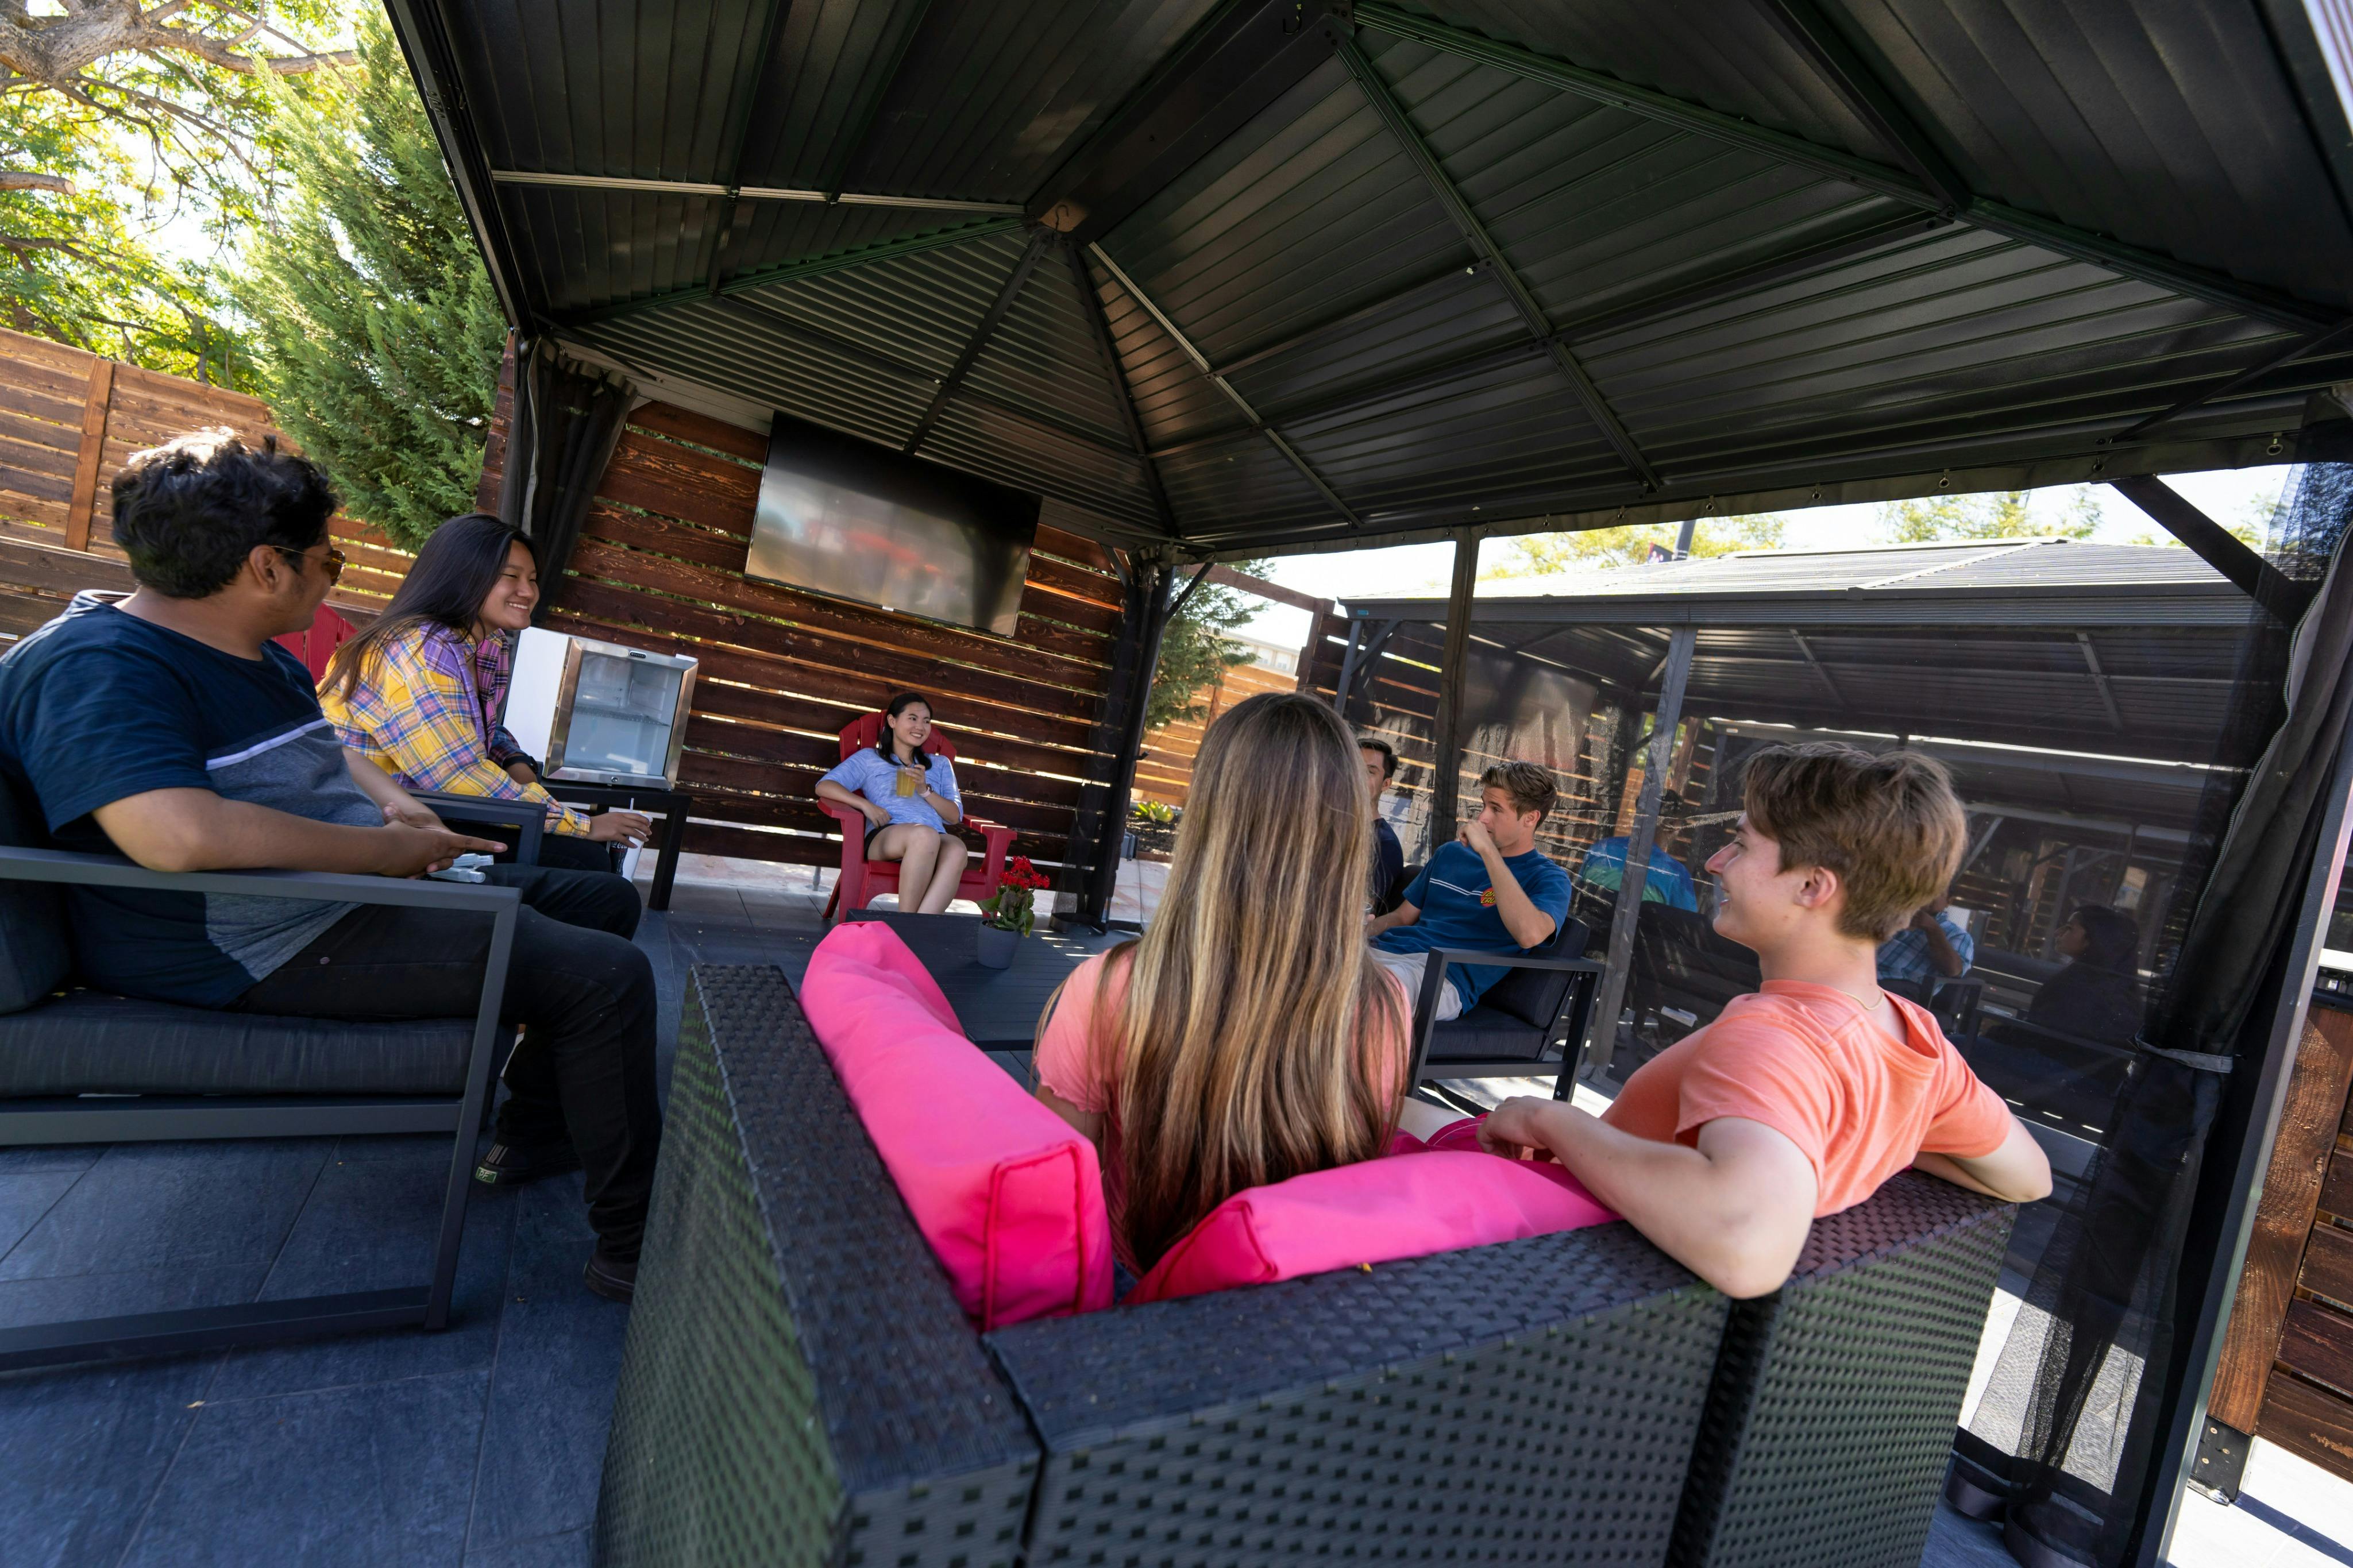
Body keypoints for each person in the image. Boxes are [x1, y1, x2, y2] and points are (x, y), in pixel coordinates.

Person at [0, 431, 662, 1302]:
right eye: (330, 560)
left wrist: (393, 801)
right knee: (607, 978)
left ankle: (534, 1131)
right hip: (254, 939)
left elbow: (331, 749)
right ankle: (635, 1250)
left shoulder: (251, 651)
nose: (335, 578)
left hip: (331, 892)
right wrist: (385, 852)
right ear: (266, 567)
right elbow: (176, 836)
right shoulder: (96, 666)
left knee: (600, 903)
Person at [1476, 743, 2050, 1299]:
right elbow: (2027, 1176)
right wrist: (1864, 1135)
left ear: (1811, 886)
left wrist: (1550, 1118)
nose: (1714, 862)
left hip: (1535, 1253)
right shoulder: (1917, 1040)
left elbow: (1745, 1243)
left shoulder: (1769, 1034)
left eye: (1740, 845)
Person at [1032, 693, 1411, 1273]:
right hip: (1298, 1292)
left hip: (1142, 1283)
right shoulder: (1384, 1006)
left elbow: (1055, 1195)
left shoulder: (1110, 987)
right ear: (1347, 832)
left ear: (1209, 813)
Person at [318, 512, 652, 875]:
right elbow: (456, 776)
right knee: (585, 863)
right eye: (511, 576)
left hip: (437, 806)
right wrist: (582, 824)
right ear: (462, 576)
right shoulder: (418, 651)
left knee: (586, 861)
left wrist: (513, 758)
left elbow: (475, 723)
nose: (528, 592)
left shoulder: (489, 644)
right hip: (385, 825)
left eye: (533, 579)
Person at [1365, 760, 1574, 1022]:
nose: (1482, 818)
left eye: (1496, 809)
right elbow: (1401, 917)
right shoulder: (1451, 854)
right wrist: (1358, 932)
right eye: (1484, 805)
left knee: (1364, 992)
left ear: (1530, 818)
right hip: (1382, 952)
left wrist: (1488, 852)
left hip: (1439, 976)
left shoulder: (1548, 878)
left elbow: (1529, 935)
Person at [816, 692, 970, 914]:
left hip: (934, 836)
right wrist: (865, 805)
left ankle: (915, 927)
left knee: (957, 849)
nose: (920, 726)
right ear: (892, 721)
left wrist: (925, 791)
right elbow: (824, 786)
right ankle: (908, 924)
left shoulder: (940, 764)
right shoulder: (869, 759)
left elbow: (954, 816)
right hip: (887, 835)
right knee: (924, 836)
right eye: (913, 718)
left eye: (926, 721)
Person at [2014, 905, 2144, 1048]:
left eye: (2069, 928)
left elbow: (2039, 1037)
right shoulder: (2119, 988)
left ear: (2093, 939)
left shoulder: (2077, 986)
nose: (2058, 932)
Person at [1576, 832, 1700, 911]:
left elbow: (1577, 895)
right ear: (1673, 826)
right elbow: (1687, 930)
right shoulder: (1677, 874)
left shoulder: (1601, 849)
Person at [1877, 892, 1974, 987]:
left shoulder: (1958, 934)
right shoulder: (1894, 913)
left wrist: (1933, 929)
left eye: (1937, 892)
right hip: (1870, 973)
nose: (1928, 895)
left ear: (1949, 901)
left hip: (1900, 986)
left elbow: (1954, 970)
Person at [1358, 734, 1406, 912]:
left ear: (1386, 784)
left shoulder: (1385, 844)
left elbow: (1361, 909)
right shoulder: (1324, 825)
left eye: (1369, 772)